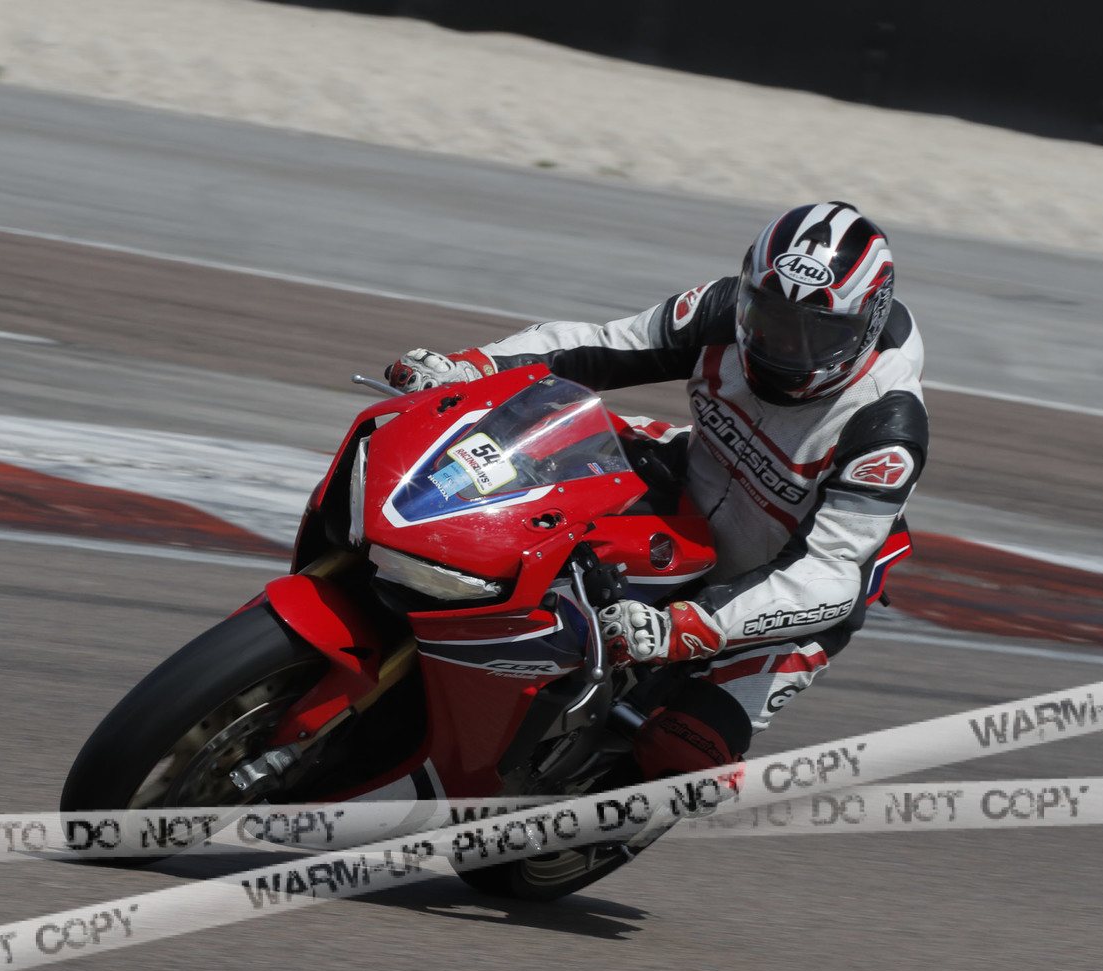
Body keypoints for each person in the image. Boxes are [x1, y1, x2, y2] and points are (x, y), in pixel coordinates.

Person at [386, 201, 928, 783]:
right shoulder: (723, 309)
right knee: (514, 481)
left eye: (817, 334)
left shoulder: (885, 425)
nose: (784, 346)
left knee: (683, 754)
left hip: (784, 593)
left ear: (866, 324)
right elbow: (601, 346)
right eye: (770, 318)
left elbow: (829, 573)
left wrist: (690, 626)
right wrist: (473, 367)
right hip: (689, 485)